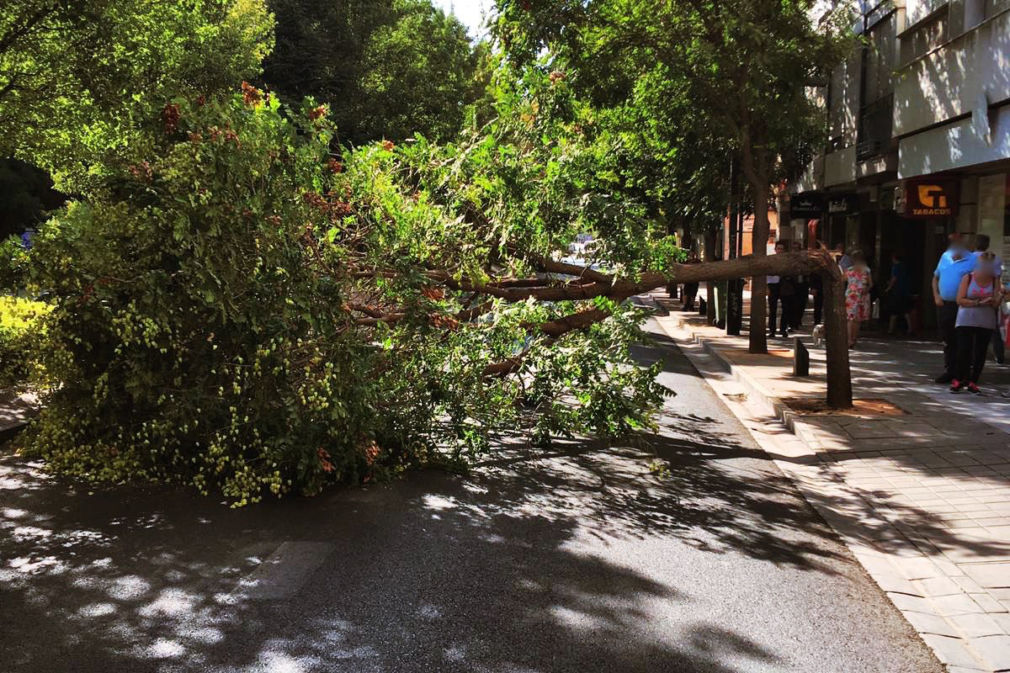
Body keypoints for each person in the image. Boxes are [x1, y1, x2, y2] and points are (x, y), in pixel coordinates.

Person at [951, 252, 1004, 393]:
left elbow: (995, 304)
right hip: (966, 319)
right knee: (963, 350)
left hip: (985, 321)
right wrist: (979, 302)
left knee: (980, 352)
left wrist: (999, 297)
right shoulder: (968, 278)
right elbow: (960, 300)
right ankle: (958, 379)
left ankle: (973, 381)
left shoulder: (995, 280)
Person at [933, 235, 977, 383]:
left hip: (963, 305)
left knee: (963, 339)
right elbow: (935, 277)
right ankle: (949, 370)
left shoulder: (973, 260)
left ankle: (962, 373)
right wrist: (936, 296)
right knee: (948, 338)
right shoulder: (945, 256)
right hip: (945, 304)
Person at [975, 234, 1005, 364]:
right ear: (987, 245)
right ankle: (999, 355)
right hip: (990, 295)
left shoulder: (970, 258)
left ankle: (974, 355)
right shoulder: (996, 259)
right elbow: (998, 278)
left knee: (972, 327)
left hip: (973, 295)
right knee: (994, 326)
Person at [845, 250, 872, 347]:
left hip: (851, 294)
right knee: (858, 319)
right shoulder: (867, 270)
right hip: (862, 295)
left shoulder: (849, 270)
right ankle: (854, 339)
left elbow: (843, 280)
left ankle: (849, 340)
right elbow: (871, 284)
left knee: (850, 318)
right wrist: (865, 289)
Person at [767, 241, 793, 338]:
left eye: (782, 249)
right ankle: (772, 330)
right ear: (775, 250)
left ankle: (783, 329)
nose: (780, 251)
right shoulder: (771, 260)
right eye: (778, 248)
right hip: (773, 285)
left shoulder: (788, 261)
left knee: (785, 308)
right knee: (772, 309)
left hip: (784, 286)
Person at [885, 252, 913, 335]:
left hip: (897, 291)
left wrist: (888, 288)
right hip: (905, 291)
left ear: (894, 258)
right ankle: (910, 328)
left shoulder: (896, 267)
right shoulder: (905, 266)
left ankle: (890, 329)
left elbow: (894, 279)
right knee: (906, 311)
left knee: (894, 311)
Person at [791, 239, 809, 330]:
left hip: (803, 285)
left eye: (797, 249)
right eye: (794, 249)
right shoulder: (790, 259)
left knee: (801, 304)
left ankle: (798, 320)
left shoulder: (804, 260)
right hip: (793, 285)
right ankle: (794, 322)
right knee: (793, 304)